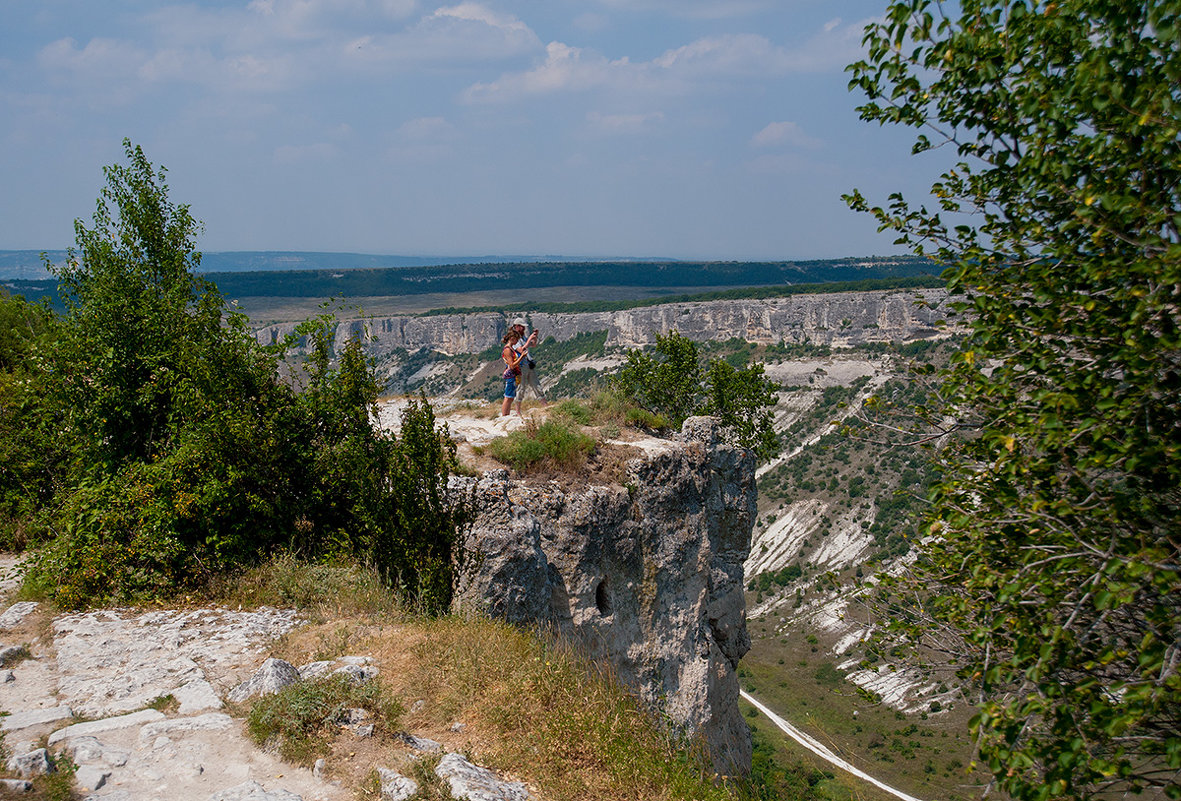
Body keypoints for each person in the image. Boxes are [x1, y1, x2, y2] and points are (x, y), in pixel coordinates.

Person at [510, 317, 546, 411]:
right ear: (517, 327)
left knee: (537, 385)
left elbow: (533, 345)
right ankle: (518, 411)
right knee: (521, 388)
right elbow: (521, 349)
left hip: (529, 364)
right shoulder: (514, 338)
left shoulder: (522, 337)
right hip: (521, 365)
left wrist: (535, 337)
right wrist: (529, 339)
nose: (524, 329)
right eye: (522, 327)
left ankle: (545, 406)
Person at [500, 329, 525, 416]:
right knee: (508, 397)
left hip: (514, 374)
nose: (517, 341)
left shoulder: (511, 349)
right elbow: (512, 365)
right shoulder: (508, 350)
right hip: (511, 375)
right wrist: (521, 357)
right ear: (512, 338)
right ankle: (504, 415)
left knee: (510, 397)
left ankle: (506, 414)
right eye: (516, 339)